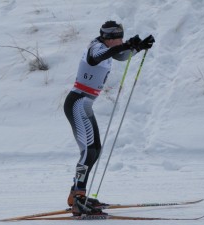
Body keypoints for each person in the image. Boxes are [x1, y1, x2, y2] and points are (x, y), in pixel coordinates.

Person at [64, 20, 155, 216]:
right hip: (77, 102)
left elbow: (121, 56)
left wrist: (137, 48)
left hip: (85, 104)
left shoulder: (109, 48)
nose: (120, 40)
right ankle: (78, 199)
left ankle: (77, 194)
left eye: (122, 37)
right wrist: (126, 45)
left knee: (95, 150)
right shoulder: (96, 47)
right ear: (108, 38)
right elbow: (98, 58)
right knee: (88, 151)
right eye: (117, 38)